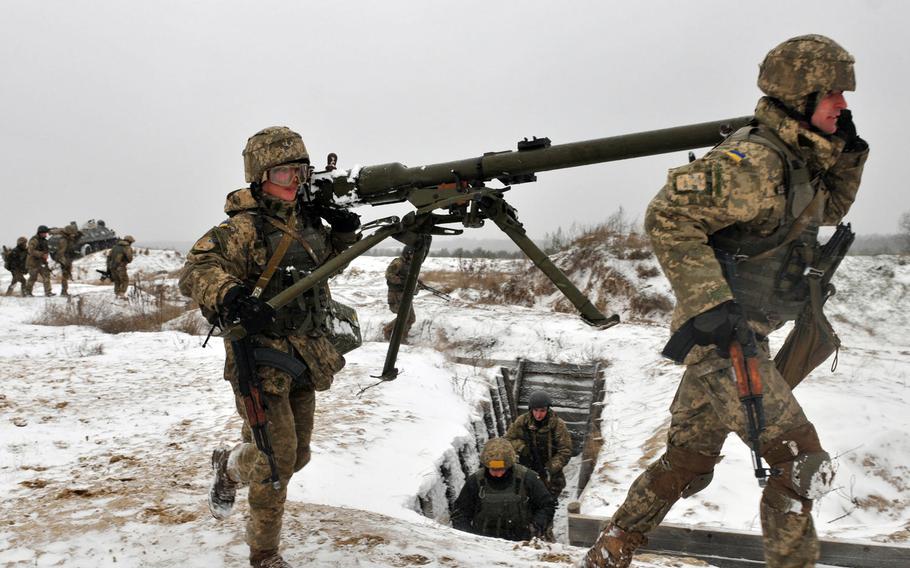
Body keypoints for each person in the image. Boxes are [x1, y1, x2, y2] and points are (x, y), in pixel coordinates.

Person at [581, 35, 868, 568]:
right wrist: (709, 303)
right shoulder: (755, 160)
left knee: (688, 460)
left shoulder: (796, 160)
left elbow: (824, 211)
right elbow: (668, 216)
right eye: (832, 94)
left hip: (744, 334)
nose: (843, 105)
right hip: (723, 339)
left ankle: (608, 551)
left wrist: (847, 154)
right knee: (798, 463)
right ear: (800, 95)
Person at [178, 126, 361, 568]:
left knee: (297, 455)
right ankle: (264, 552)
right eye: (283, 172)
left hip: (305, 353)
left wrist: (343, 232)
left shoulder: (308, 222)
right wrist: (231, 296)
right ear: (260, 177)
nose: (294, 181)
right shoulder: (244, 228)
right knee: (277, 458)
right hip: (259, 357)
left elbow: (327, 265)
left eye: (300, 171)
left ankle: (230, 467)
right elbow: (196, 270)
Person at [451, 437, 555, 541]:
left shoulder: (527, 478)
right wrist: (470, 538)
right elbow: (460, 514)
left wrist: (536, 526)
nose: (498, 474)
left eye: (502, 469)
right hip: (485, 544)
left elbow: (547, 505)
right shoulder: (475, 482)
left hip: (521, 543)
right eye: (493, 470)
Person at [506, 390, 573, 498]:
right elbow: (508, 440)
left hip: (550, 472)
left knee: (548, 500)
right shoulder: (522, 421)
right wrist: (521, 447)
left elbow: (565, 451)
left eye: (542, 410)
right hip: (527, 468)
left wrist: (550, 467)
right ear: (531, 409)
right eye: (535, 410)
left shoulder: (557, 424)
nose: (538, 415)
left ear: (548, 409)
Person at [382, 245, 417, 341]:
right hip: (396, 294)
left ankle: (402, 337)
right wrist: (402, 281)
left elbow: (409, 277)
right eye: (412, 254)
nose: (414, 256)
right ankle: (388, 330)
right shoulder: (398, 262)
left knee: (411, 318)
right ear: (407, 254)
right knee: (404, 317)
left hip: (405, 295)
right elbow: (388, 275)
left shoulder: (411, 264)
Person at [24, 225, 54, 297]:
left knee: (46, 276)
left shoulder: (45, 241)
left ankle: (48, 292)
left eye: (46, 233)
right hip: (33, 263)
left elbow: (46, 250)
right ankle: (27, 292)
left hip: (42, 262)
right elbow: (31, 251)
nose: (46, 234)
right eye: (44, 233)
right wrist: (41, 254)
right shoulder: (34, 240)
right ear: (40, 233)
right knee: (33, 278)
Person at [53, 224, 82, 297]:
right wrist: (64, 262)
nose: (73, 235)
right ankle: (64, 291)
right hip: (64, 259)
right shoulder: (63, 240)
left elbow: (74, 242)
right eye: (72, 233)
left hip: (68, 258)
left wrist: (79, 236)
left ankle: (64, 291)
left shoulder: (68, 239)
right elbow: (60, 253)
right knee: (65, 275)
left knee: (66, 275)